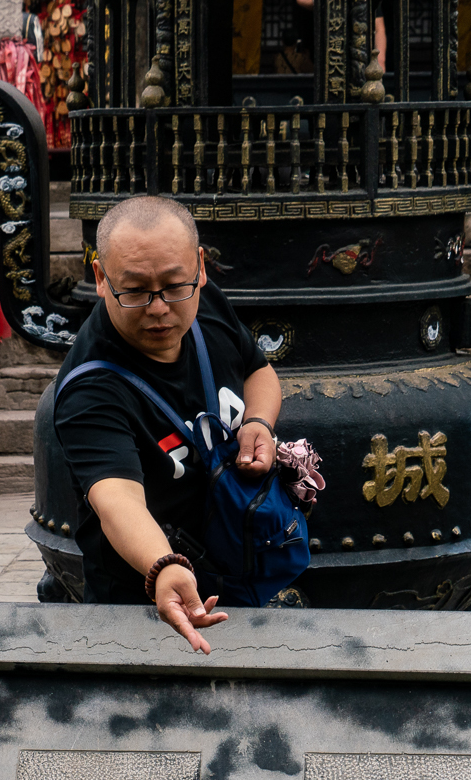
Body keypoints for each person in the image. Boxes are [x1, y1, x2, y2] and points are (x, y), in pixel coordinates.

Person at [51, 194, 291, 653]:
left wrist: (259, 421)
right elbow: (116, 499)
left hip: (237, 569)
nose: (159, 307)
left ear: (199, 268)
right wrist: (163, 566)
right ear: (100, 277)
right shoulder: (90, 390)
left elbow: (257, 369)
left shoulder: (205, 304)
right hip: (145, 601)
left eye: (173, 286)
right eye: (136, 290)